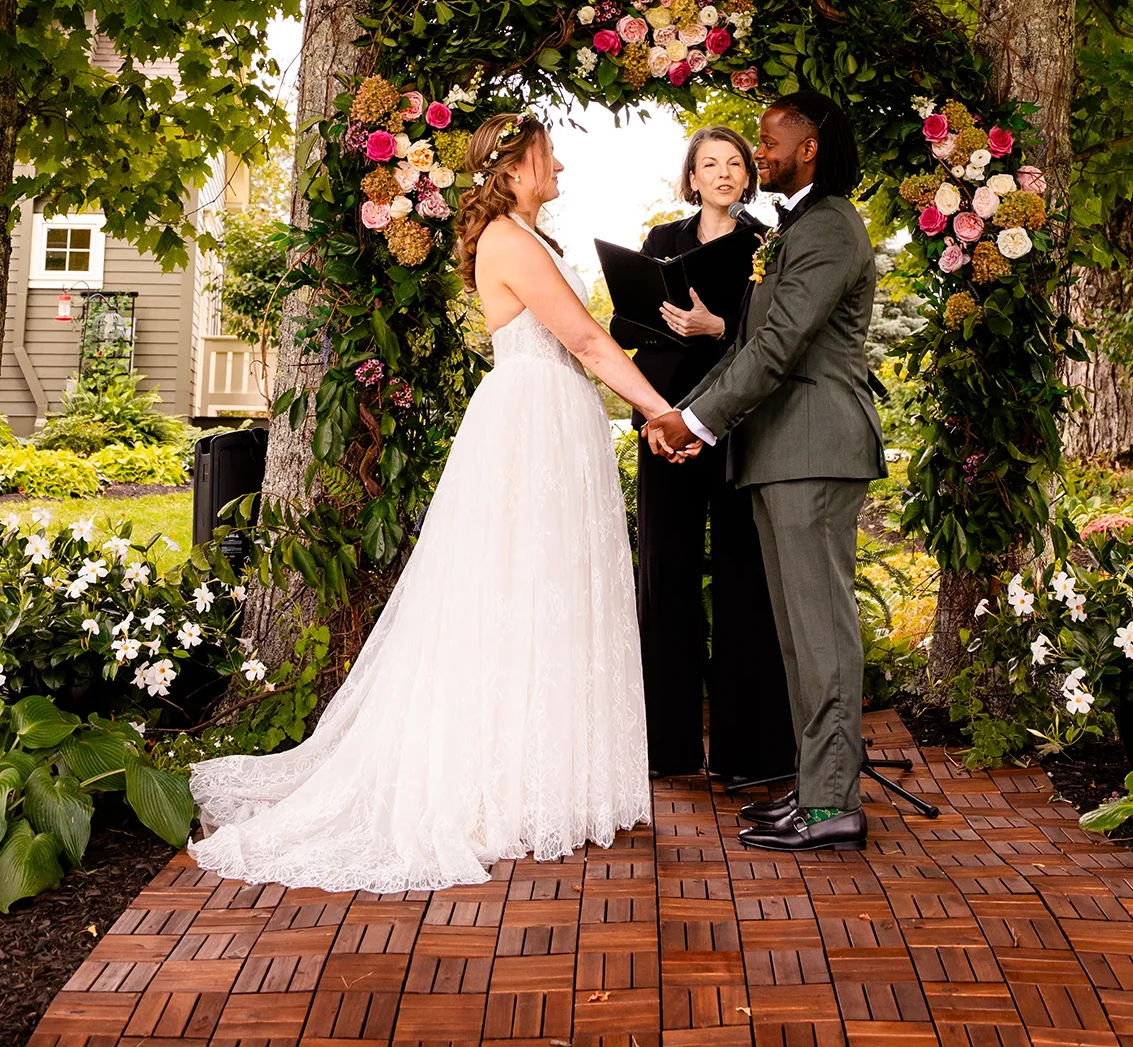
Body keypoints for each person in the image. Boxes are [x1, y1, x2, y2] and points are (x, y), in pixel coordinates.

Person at [189, 113, 680, 894]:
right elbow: (586, 341)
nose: (562, 169)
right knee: (522, 589)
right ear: (513, 169)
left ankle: (540, 771)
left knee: (546, 591)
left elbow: (584, 342)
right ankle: (504, 782)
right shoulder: (513, 242)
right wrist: (662, 410)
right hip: (531, 422)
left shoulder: (526, 237)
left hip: (549, 415)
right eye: (550, 156)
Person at [647, 91, 886, 854]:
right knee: (798, 637)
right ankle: (815, 790)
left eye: (769, 141)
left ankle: (831, 806)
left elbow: (776, 348)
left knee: (821, 636)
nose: (762, 154)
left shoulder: (830, 227)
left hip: (814, 451)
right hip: (784, 452)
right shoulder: (801, 226)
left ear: (809, 145)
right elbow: (759, 339)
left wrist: (694, 420)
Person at [612, 126, 795, 784]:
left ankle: (747, 755)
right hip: (664, 429)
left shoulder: (766, 245)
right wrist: (660, 325)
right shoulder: (663, 241)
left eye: (734, 164)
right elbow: (621, 329)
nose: (722, 173)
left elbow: (779, 341)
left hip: (737, 428)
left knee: (746, 579)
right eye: (708, 164)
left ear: (747, 177)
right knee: (666, 580)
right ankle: (667, 748)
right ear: (690, 179)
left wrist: (716, 327)